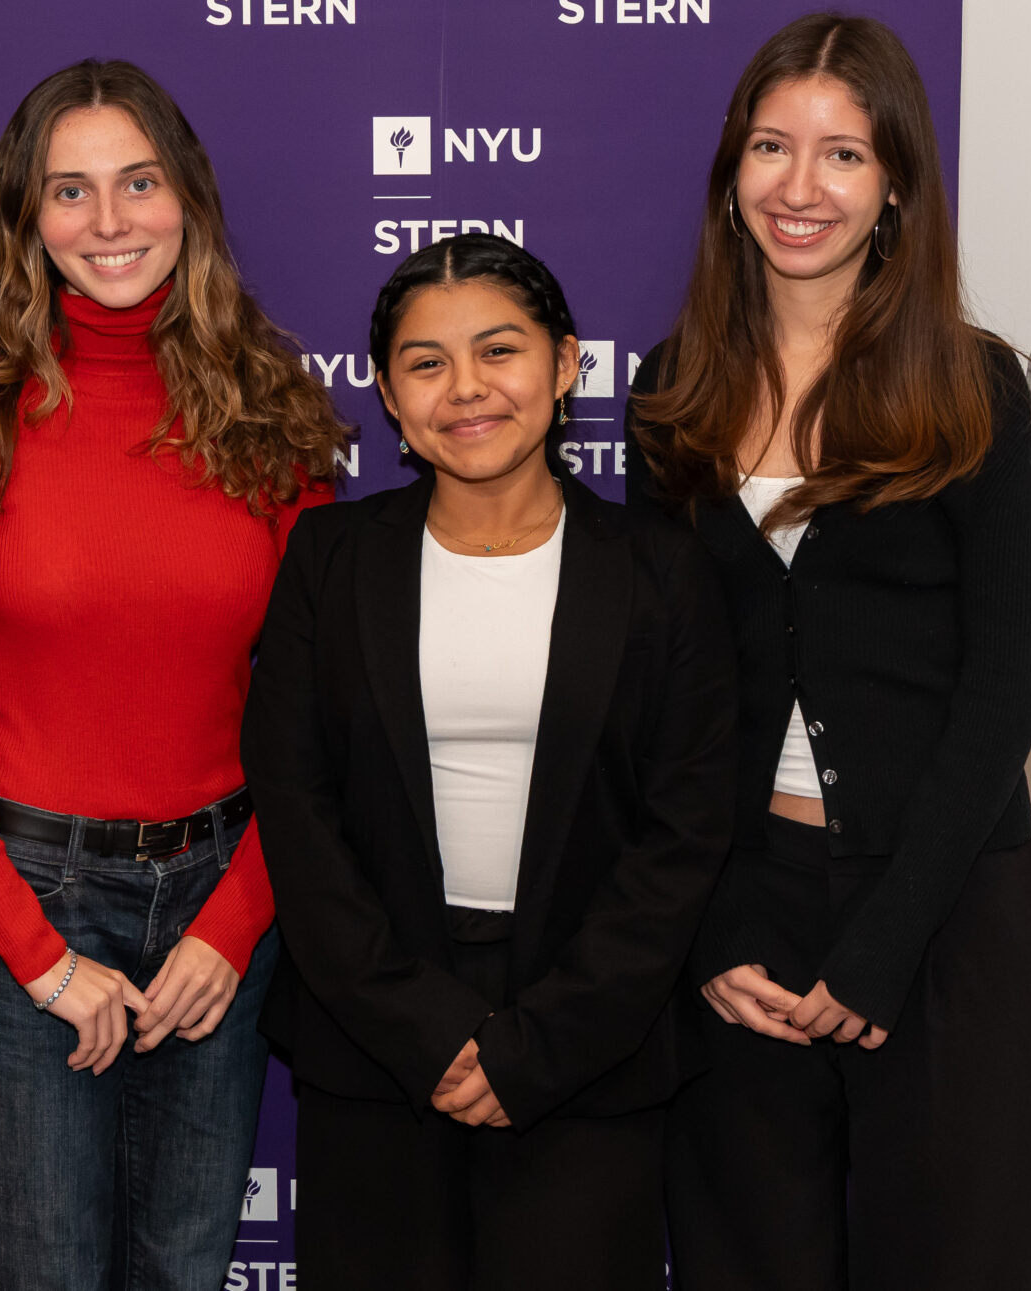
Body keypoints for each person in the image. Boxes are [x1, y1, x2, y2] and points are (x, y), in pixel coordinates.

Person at [0, 59, 345, 1290]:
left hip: (219, 897)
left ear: (186, 197)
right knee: (46, 1273)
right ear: (25, 223)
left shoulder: (274, 417)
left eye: (137, 183)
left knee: (185, 1272)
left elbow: (315, 716)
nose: (111, 221)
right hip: (28, 895)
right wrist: (36, 954)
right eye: (69, 192)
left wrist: (234, 929)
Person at [626, 13, 1031, 1290]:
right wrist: (699, 934)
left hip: (939, 915)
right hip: (741, 910)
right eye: (771, 148)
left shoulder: (973, 386)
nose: (799, 188)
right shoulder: (673, 389)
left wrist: (881, 943)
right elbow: (655, 697)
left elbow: (1008, 683)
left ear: (895, 188)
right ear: (730, 176)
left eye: (842, 156)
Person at [242, 232, 738, 1291]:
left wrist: (539, 1045)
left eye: (499, 352)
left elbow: (683, 832)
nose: (465, 390)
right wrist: (424, 1031)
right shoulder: (330, 561)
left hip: (586, 1049)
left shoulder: (662, 574)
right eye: (426, 363)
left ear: (565, 366)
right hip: (375, 1045)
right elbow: (296, 810)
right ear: (386, 393)